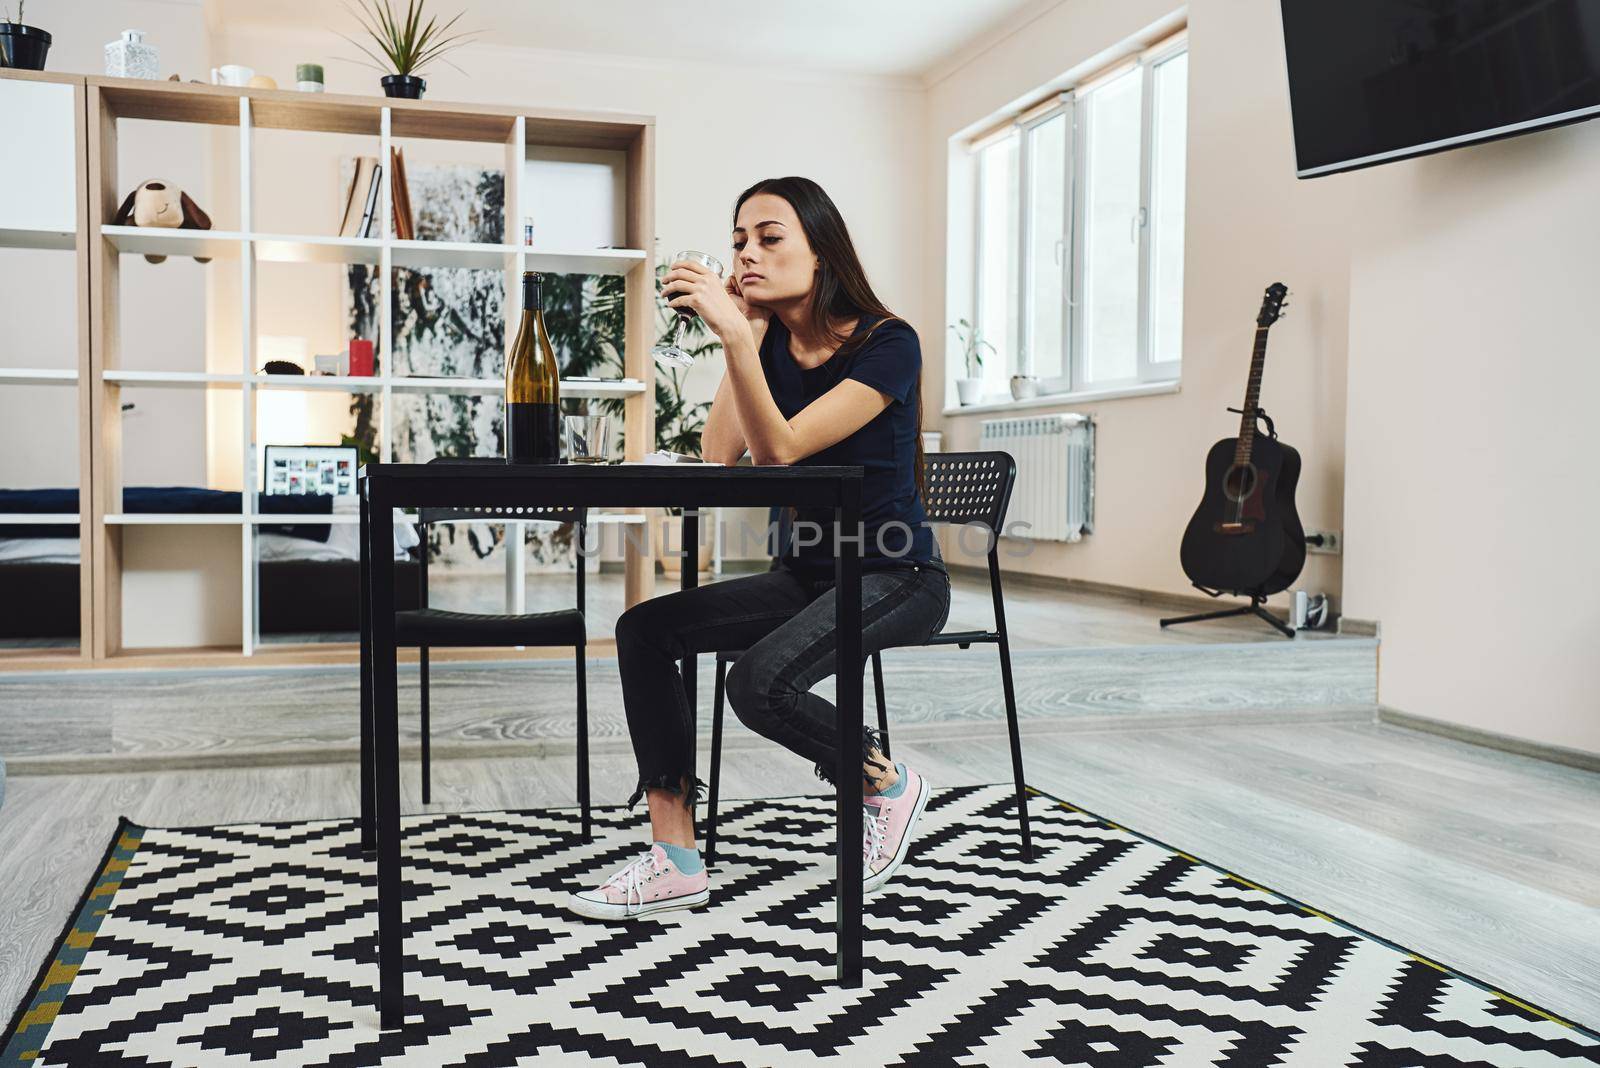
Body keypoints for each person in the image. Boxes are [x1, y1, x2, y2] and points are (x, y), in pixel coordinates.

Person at [566, 177, 951, 921]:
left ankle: (886, 784)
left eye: (770, 238)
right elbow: (720, 453)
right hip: (807, 575)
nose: (747, 253)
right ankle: (675, 857)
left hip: (896, 573)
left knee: (757, 683)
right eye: (739, 240)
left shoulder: (887, 343)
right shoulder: (768, 341)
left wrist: (739, 334)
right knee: (644, 631)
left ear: (821, 250)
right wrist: (741, 337)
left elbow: (778, 452)